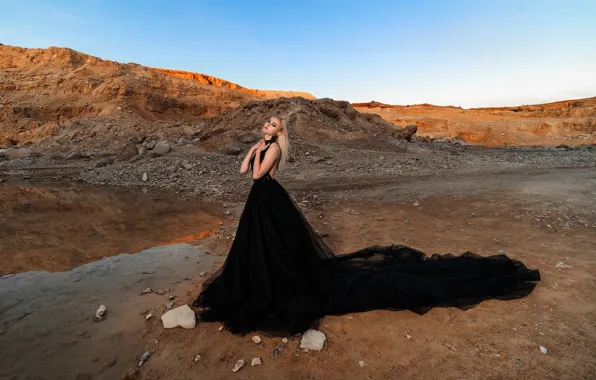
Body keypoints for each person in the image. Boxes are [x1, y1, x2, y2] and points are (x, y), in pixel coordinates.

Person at [193, 116, 540, 335]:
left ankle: (275, 284)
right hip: (260, 200)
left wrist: (258, 154)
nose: (266, 127)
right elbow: (242, 172)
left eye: (272, 126)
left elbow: (256, 175)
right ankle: (263, 278)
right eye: (266, 124)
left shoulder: (274, 152)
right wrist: (251, 148)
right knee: (262, 245)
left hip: (268, 197)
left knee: (277, 245)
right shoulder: (262, 144)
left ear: (279, 132)